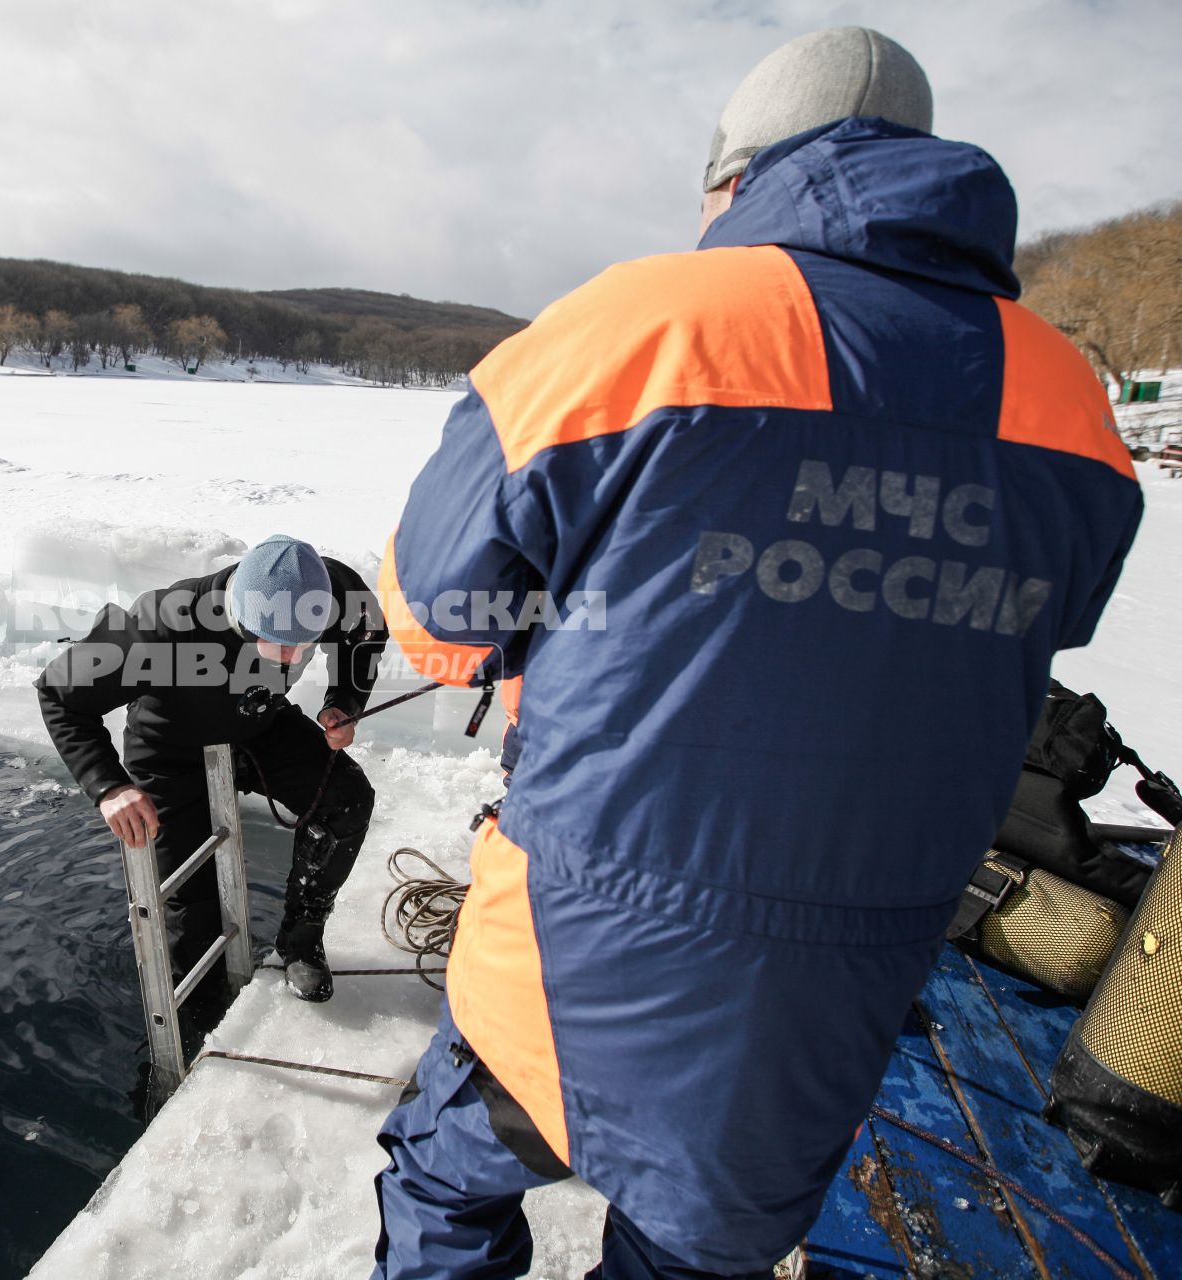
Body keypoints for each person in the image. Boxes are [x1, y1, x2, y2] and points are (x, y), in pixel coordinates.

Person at [370, 26, 1143, 1280]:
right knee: (691, 1256)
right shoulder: (1065, 400)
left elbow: (439, 612)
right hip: (838, 983)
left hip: (583, 937)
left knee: (450, 1179)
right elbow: (1023, 618)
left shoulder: (636, 324)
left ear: (738, 174)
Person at [35, 535, 386, 1010]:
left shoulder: (333, 590)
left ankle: (301, 940)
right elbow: (59, 695)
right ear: (239, 614)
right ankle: (200, 1010)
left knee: (347, 799)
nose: (289, 657)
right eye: (277, 643)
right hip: (170, 748)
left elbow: (366, 635)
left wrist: (344, 700)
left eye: (302, 644)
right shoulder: (159, 623)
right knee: (189, 900)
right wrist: (108, 785)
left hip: (259, 723)